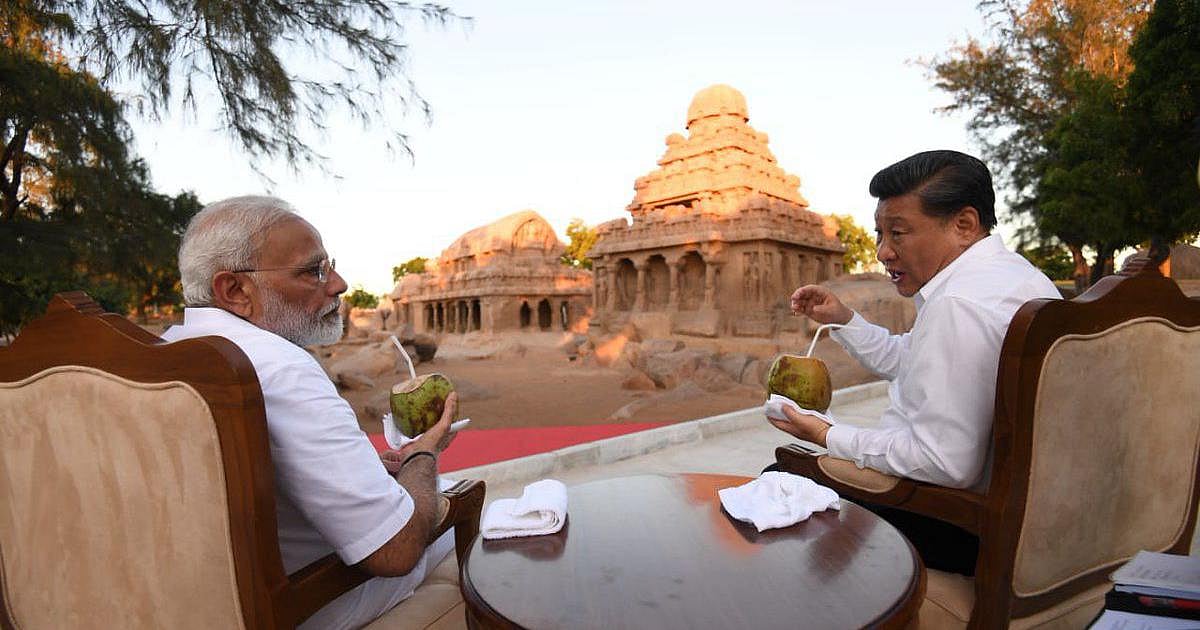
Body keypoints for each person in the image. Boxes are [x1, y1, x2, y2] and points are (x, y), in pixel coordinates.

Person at [162, 196, 456, 629]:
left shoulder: (171, 351)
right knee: (475, 511)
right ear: (236, 291)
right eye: (313, 271)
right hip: (307, 605)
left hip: (199, 602)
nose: (338, 284)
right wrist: (423, 454)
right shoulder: (280, 368)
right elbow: (396, 550)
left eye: (329, 266)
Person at [768, 150, 1059, 574]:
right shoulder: (1017, 277)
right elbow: (915, 361)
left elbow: (943, 463)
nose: (883, 252)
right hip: (1028, 520)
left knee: (778, 481)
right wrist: (843, 319)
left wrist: (828, 434)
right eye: (879, 234)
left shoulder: (958, 304)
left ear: (964, 225)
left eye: (898, 233)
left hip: (956, 523)